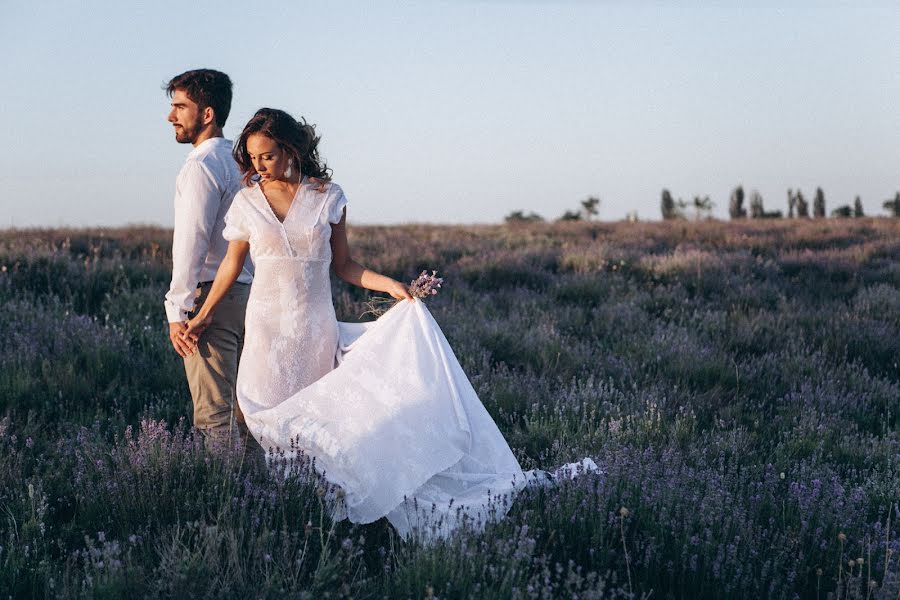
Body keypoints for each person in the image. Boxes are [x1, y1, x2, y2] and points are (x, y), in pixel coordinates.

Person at [183, 108, 594, 540]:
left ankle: (329, 520)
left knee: (322, 429)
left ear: (290, 149)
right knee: (268, 422)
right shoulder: (247, 200)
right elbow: (230, 267)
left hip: (312, 331)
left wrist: (393, 287)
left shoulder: (327, 197)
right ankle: (295, 521)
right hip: (265, 334)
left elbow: (345, 266)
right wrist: (204, 314)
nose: (257, 166)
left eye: (266, 155)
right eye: (251, 158)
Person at [162, 69, 255, 451]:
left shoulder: (201, 166)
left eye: (180, 107)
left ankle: (228, 506)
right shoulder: (243, 163)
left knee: (215, 417)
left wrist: (177, 310)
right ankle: (265, 498)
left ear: (207, 114)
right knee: (247, 411)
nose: (171, 116)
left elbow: (191, 243)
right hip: (250, 296)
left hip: (210, 301)